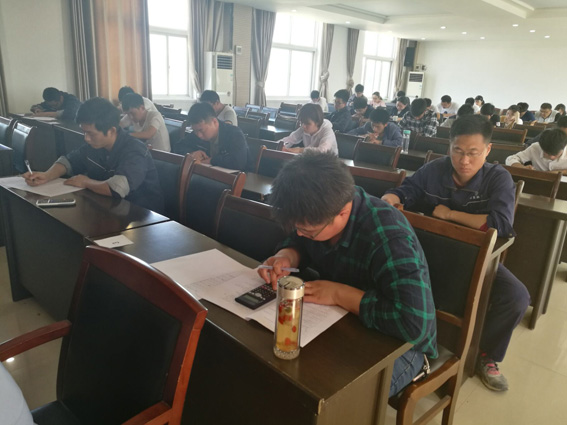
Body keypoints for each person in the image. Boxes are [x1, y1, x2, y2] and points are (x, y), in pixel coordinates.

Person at [258, 151, 437, 397]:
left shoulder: (388, 235)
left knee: (329, 396)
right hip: (343, 322)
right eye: (296, 228)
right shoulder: (321, 209)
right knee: (279, 373)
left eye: (307, 231)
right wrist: (287, 255)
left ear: (342, 212)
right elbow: (301, 240)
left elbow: (414, 324)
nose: (300, 233)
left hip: (401, 347)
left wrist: (339, 294)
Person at [382, 115, 530, 392]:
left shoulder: (498, 178)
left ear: (488, 150)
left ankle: (485, 354)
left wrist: (450, 214)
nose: (464, 161)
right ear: (449, 146)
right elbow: (408, 190)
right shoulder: (434, 169)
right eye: (458, 151)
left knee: (516, 297)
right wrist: (392, 198)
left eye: (473, 153)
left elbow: (501, 223)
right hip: (430, 253)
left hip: (476, 260)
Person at [22, 97, 164, 213]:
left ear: (111, 131)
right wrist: (47, 175)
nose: (86, 138)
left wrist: (86, 182)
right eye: (84, 132)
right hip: (109, 209)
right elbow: (68, 161)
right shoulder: (96, 145)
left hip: (142, 217)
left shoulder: (134, 150)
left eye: (91, 133)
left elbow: (117, 188)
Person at [174, 102, 248, 171]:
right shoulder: (197, 133)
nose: (199, 135)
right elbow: (178, 147)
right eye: (195, 131)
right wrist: (192, 153)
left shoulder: (234, 133)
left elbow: (239, 162)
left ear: (214, 122)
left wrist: (211, 160)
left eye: (201, 130)